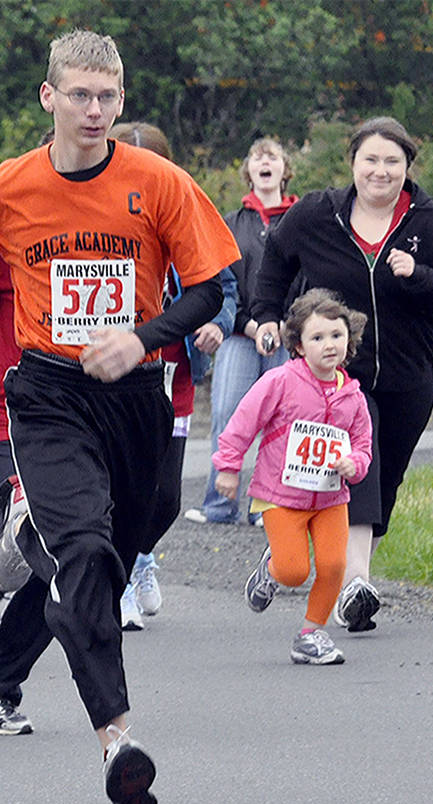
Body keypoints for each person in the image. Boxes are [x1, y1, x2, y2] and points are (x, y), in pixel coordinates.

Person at [0, 30, 239, 804]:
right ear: (50, 97)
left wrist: (143, 336)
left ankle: (5, 567)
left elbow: (210, 287)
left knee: (125, 541)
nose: (96, 110)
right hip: (49, 394)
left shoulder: (158, 182)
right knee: (84, 555)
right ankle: (118, 740)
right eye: (81, 95)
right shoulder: (7, 188)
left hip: (135, 393)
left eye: (109, 96)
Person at [252, 116, 433, 632]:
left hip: (408, 373)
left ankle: (303, 559)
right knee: (356, 469)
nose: (380, 171)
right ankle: (355, 584)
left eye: (392, 161)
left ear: (406, 168)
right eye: (370, 159)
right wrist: (265, 315)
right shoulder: (316, 214)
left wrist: (417, 275)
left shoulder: (430, 223)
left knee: (385, 477)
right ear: (353, 163)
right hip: (336, 375)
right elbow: (276, 260)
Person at [106, 122, 237, 631]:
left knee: (164, 500)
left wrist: (215, 324)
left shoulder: (185, 213)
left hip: (172, 377)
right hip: (112, 379)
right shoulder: (97, 218)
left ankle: (141, 557)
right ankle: (114, 586)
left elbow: (223, 285)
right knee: (120, 490)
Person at [217, 289, 373, 664]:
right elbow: (243, 421)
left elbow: (363, 445)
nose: (329, 345)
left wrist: (355, 463)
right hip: (280, 495)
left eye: (337, 336)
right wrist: (228, 465)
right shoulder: (281, 382)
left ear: (349, 340)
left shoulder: (353, 396)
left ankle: (310, 635)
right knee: (293, 570)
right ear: (299, 345)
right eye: (317, 338)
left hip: (331, 497)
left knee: (334, 565)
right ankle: (270, 571)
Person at [185, 137, 298, 527]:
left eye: (273, 157)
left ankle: (268, 507)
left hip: (290, 335)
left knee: (282, 421)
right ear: (248, 171)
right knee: (226, 414)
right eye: (257, 158)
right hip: (239, 334)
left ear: (285, 170)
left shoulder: (303, 221)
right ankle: (219, 505)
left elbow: (308, 280)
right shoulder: (229, 223)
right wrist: (249, 325)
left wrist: (286, 326)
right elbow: (221, 284)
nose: (265, 163)